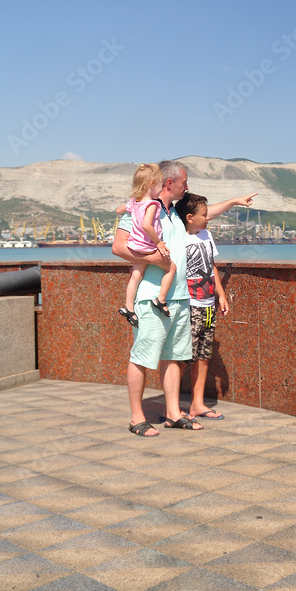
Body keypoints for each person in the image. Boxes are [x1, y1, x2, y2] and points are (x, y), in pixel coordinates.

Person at [111, 159, 256, 436]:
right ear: (169, 183)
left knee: (174, 357)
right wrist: (153, 258)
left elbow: (206, 213)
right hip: (152, 297)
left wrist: (235, 201)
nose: (186, 187)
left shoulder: (175, 212)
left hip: (179, 297)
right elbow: (118, 247)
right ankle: (136, 417)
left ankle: (173, 414)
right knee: (142, 357)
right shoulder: (141, 209)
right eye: (184, 183)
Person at [175, 192, 227, 420]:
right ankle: (173, 406)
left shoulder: (205, 235)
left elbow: (212, 266)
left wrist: (221, 295)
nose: (207, 218)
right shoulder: (179, 238)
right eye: (204, 215)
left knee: (204, 357)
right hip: (190, 306)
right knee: (185, 358)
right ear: (189, 217)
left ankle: (197, 404)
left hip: (207, 306)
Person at [117, 164, 177, 327]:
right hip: (148, 245)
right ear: (151, 185)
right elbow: (147, 225)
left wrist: (128, 207)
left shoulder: (134, 203)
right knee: (171, 269)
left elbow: (118, 210)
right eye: (159, 185)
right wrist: (159, 243)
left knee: (136, 275)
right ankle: (161, 298)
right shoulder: (152, 204)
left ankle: (129, 306)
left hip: (135, 245)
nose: (161, 189)